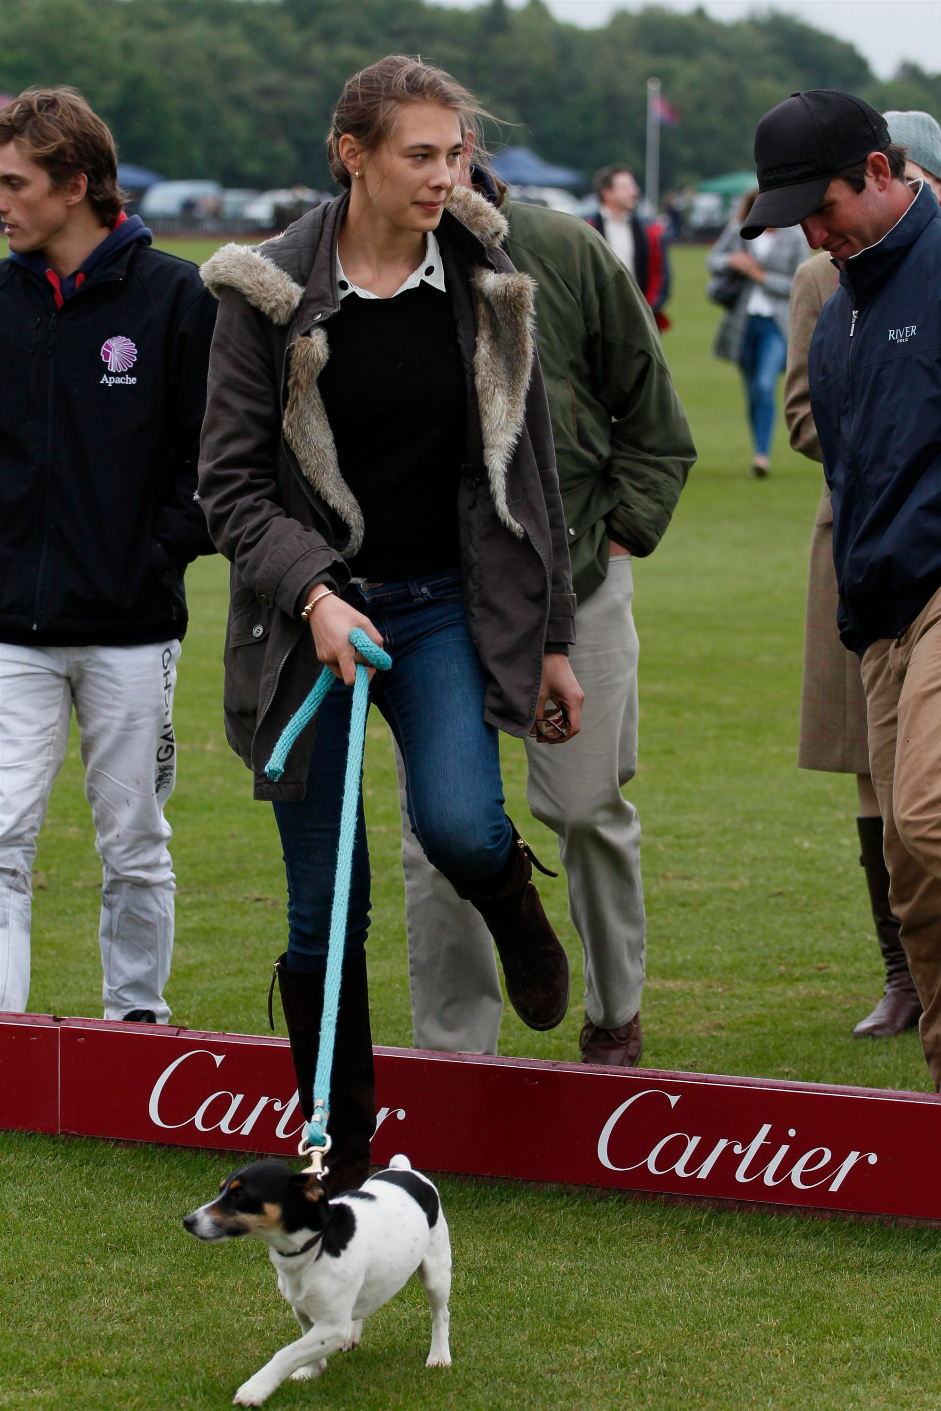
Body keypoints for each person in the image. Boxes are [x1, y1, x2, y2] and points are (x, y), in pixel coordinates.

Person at [197, 56, 581, 1193]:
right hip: (303, 625)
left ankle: (515, 902)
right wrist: (314, 593)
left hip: (441, 610)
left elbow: (535, 475)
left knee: (464, 826)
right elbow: (230, 491)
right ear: (350, 154)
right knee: (327, 908)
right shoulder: (259, 291)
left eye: (455, 152)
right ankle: (337, 1149)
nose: (446, 174)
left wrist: (551, 635)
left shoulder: (486, 279)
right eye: (421, 154)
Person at [397, 160, 695, 1064]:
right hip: (434, 595)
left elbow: (654, 415)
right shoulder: (361, 260)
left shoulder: (564, 246)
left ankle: (614, 1014)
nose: (432, 172)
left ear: (467, 147)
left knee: (586, 808)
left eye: (442, 150)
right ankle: (453, 1055)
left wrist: (619, 535)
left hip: (575, 583)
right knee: (436, 835)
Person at [0, 88, 216, 1023]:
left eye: (15, 183)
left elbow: (219, 462)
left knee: (132, 842)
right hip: (10, 629)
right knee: (1, 838)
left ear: (76, 184)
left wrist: (151, 557)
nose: (0, 202)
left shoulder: (178, 296)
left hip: (132, 629)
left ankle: (136, 1025)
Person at [743, 87, 941, 1088]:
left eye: (818, 210)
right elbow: (838, 453)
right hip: (876, 604)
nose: (810, 236)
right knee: (910, 882)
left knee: (924, 817)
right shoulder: (837, 310)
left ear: (878, 171)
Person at [786, 251, 920, 1039]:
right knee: (872, 764)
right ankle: (901, 974)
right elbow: (803, 415)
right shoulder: (819, 278)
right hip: (862, 542)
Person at [707, 192, 806, 477]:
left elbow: (800, 283)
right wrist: (732, 262)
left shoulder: (794, 236)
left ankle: (762, 456)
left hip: (775, 323)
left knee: (764, 385)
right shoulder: (739, 231)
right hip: (742, 322)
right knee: (752, 391)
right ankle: (758, 450)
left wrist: (761, 276)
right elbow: (712, 260)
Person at [585, 166, 672, 330]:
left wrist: (647, 311)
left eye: (633, 186)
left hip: (640, 319)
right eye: (626, 187)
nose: (634, 192)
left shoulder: (650, 231)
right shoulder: (586, 228)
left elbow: (660, 276)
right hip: (596, 321)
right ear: (607, 192)